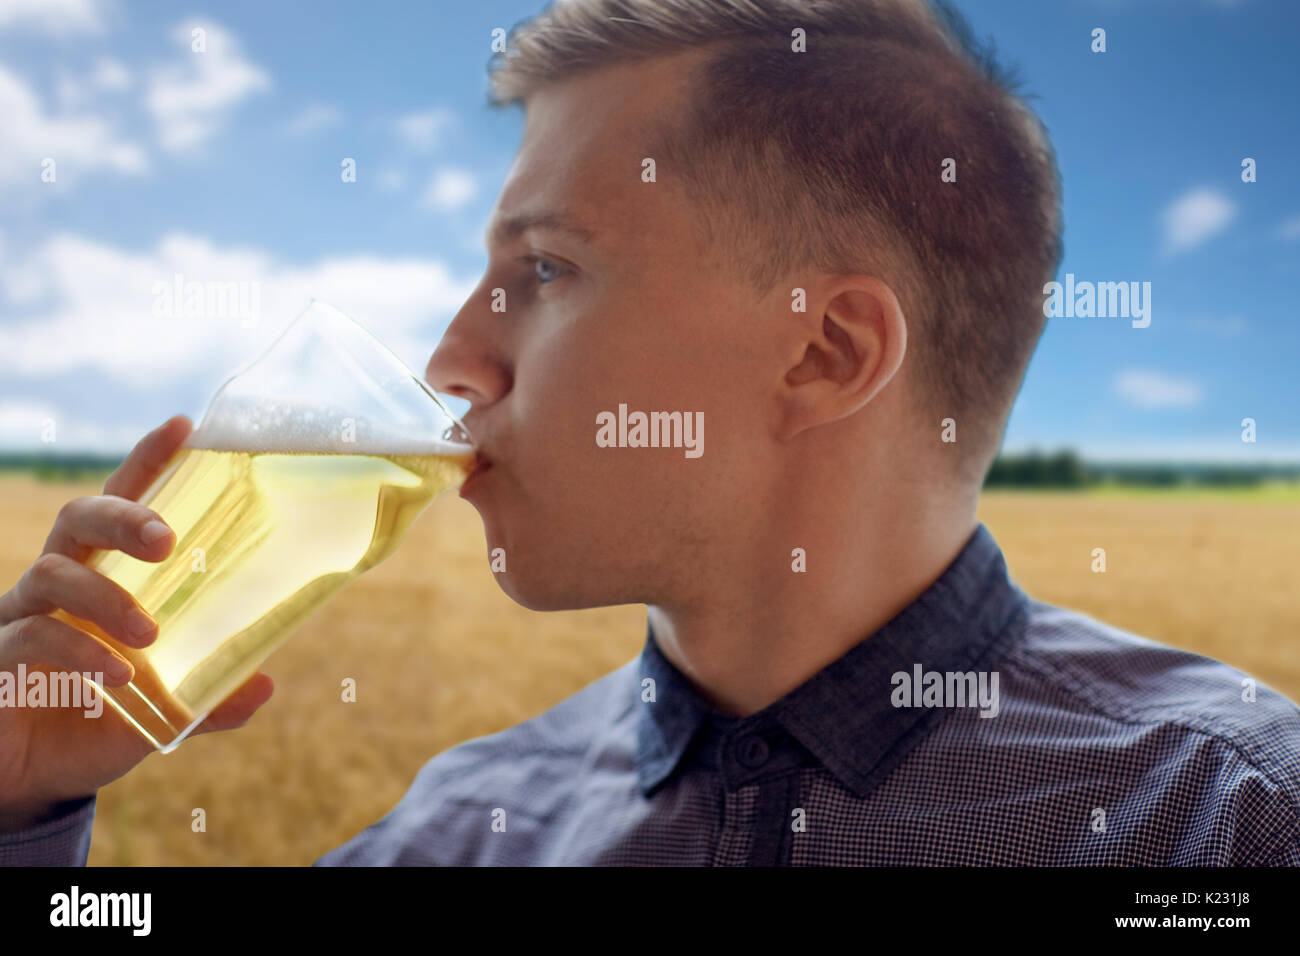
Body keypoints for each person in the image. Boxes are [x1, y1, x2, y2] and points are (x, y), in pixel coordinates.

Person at [2, 0, 1298, 866]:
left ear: (826, 351)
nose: (453, 357)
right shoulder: (460, 832)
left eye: (548, 268)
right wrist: (23, 804)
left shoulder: (1226, 824)